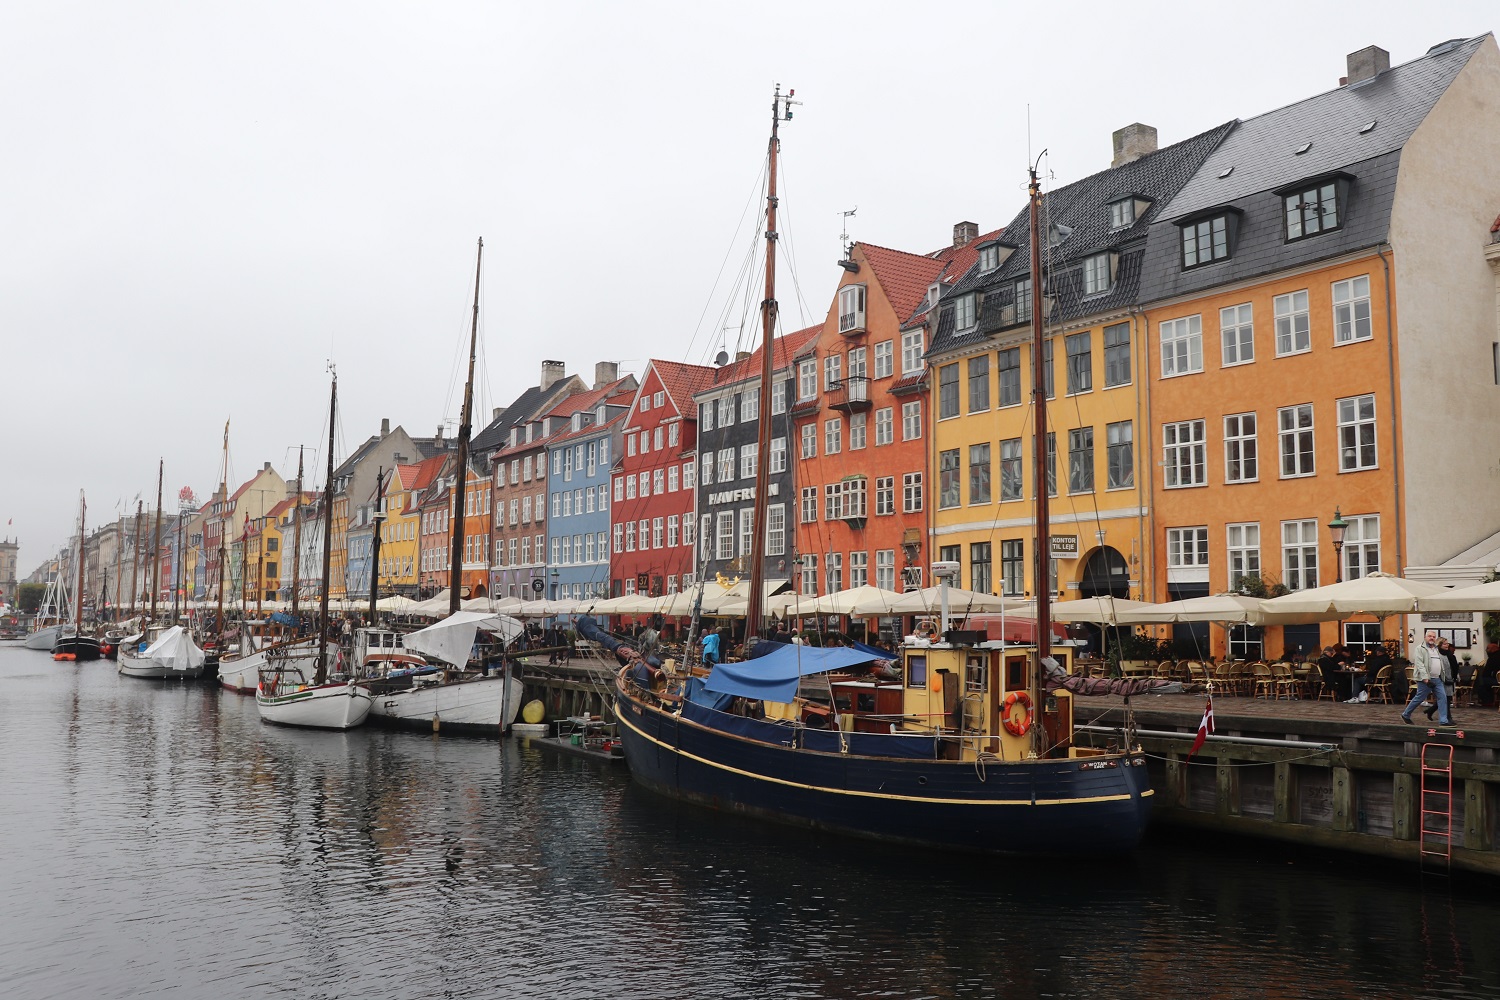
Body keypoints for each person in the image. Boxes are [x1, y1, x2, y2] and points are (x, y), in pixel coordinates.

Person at [1401, 631, 1452, 726]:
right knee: (1419, 698)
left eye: (1433, 636)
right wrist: (1425, 679)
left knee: (1443, 698)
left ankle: (1443, 720)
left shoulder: (1437, 649)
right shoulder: (1420, 649)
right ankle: (1406, 714)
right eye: (1429, 636)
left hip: (1437, 678)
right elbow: (1419, 664)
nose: (1432, 638)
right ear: (1425, 637)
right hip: (1425, 679)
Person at [1427, 639, 1461, 721]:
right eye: (1444, 644)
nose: (1447, 646)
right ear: (1439, 645)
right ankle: (1448, 717)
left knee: (1446, 698)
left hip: (1450, 679)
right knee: (1446, 699)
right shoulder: (1438, 655)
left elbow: (1454, 667)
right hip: (1442, 679)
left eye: (1447, 644)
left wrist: (1456, 676)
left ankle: (1430, 711)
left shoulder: (1451, 655)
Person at [1477, 640, 1500, 708]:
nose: (1486, 650)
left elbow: (1487, 672)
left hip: (1496, 680)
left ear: (1494, 649)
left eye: (1488, 648)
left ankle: (1488, 701)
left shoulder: (1493, 658)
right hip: (1496, 678)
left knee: (1482, 683)